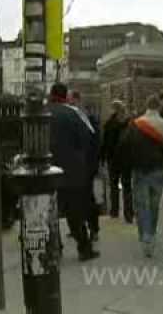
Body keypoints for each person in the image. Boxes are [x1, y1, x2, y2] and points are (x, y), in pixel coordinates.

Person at [119, 95, 163, 258]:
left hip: (139, 170)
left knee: (141, 204)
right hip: (159, 169)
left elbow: (124, 145)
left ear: (146, 106)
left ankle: (145, 237)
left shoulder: (135, 124)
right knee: (154, 204)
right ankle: (151, 234)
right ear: (159, 107)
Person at [48, 83, 99, 261]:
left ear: (51, 94)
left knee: (50, 213)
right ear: (65, 96)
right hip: (72, 171)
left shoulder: (42, 113)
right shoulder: (73, 113)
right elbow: (87, 139)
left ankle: (54, 248)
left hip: (47, 171)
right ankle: (84, 249)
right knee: (75, 212)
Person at [69, 90, 100, 242]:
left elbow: (94, 143)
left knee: (87, 197)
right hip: (80, 164)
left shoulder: (88, 119)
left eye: (73, 102)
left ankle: (93, 228)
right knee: (80, 197)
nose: (71, 105)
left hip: (86, 165)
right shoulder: (80, 118)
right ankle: (82, 226)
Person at [101, 100, 133, 222]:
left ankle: (114, 211)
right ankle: (128, 214)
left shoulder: (109, 124)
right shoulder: (129, 124)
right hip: (126, 159)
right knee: (127, 186)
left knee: (114, 186)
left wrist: (103, 157)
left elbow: (105, 143)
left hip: (112, 159)